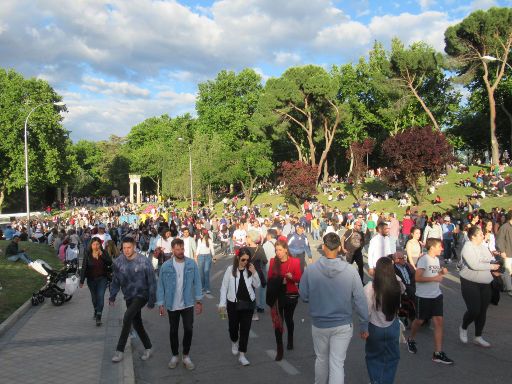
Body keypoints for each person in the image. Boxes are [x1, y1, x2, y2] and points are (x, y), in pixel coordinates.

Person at [299, 232, 368, 384]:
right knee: (337, 363)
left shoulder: (310, 270)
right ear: (339, 248)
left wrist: (317, 297)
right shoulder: (350, 271)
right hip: (343, 324)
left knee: (321, 359)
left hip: (320, 323)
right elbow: (360, 300)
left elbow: (303, 295)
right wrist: (364, 324)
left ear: (324, 247)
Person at [157, 238, 203, 370]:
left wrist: (199, 300)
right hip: (172, 304)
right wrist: (160, 304)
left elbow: (198, 282)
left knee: (189, 329)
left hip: (187, 303)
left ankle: (186, 356)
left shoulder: (191, 264)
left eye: (182, 249)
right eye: (177, 249)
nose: (180, 251)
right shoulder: (166, 266)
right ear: (172, 250)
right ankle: (175, 355)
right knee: (173, 330)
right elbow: (160, 286)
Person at [406, 238, 454, 365]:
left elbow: (433, 273)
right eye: (439, 246)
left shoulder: (436, 259)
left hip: (436, 295)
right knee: (419, 321)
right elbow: (417, 278)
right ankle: (411, 339)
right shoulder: (424, 259)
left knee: (438, 321)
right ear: (432, 247)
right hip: (423, 296)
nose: (442, 248)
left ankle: (437, 353)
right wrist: (435, 277)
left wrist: (441, 272)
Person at [109, 237, 156, 363]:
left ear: (134, 246)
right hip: (128, 296)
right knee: (137, 323)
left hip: (142, 295)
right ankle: (148, 347)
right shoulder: (119, 262)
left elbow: (152, 281)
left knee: (127, 316)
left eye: (129, 247)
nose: (126, 250)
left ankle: (119, 351)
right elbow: (115, 281)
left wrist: (152, 299)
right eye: (124, 248)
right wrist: (112, 296)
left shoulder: (143, 261)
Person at [459, 226, 500, 347]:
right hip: (469, 282)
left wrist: (496, 267)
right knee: (474, 310)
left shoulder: (483, 247)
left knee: (482, 311)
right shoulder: (467, 247)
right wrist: (491, 267)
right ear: (473, 236)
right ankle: (463, 327)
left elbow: (491, 260)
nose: (483, 235)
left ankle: (478, 336)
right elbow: (474, 265)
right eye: (481, 234)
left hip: (485, 283)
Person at [218, 247, 261, 366]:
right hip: (233, 304)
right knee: (233, 328)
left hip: (248, 304)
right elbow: (224, 287)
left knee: (245, 330)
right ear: (238, 258)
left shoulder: (250, 270)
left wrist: (255, 273)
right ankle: (234, 341)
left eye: (248, 260)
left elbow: (257, 285)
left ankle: (242, 355)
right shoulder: (230, 270)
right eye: (243, 260)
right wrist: (222, 304)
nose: (245, 262)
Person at [364, 257, 403, 384]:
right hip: (392, 325)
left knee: (373, 356)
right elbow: (403, 289)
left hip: (375, 327)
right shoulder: (396, 282)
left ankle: (376, 381)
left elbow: (366, 311)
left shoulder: (371, 287)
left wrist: (363, 329)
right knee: (392, 357)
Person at [267, 240, 301, 361]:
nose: (278, 252)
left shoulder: (295, 261)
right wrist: (279, 280)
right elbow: (269, 279)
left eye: (280, 250)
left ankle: (290, 339)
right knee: (278, 322)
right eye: (276, 250)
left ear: (286, 250)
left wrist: (292, 278)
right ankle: (279, 348)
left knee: (288, 319)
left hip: (290, 295)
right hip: (277, 296)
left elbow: (299, 278)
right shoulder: (273, 261)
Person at [80, 237, 112, 326]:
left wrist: (102, 255)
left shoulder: (104, 253)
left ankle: (99, 316)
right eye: (94, 244)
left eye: (97, 244)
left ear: (100, 245)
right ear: (91, 245)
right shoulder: (87, 254)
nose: (96, 246)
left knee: (100, 297)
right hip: (91, 280)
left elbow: (110, 263)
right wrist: (81, 280)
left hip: (102, 279)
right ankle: (96, 309)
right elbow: (84, 268)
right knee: (94, 299)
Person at [496, 211, 512, 295]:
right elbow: (499, 240)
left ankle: (504, 282)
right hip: (508, 253)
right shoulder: (504, 227)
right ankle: (510, 289)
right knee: (508, 271)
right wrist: (502, 251)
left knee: (508, 272)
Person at [195, 229, 215, 294]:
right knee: (201, 273)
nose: (200, 234)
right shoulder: (199, 240)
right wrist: (196, 256)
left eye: (200, 233)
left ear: (203, 234)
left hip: (208, 257)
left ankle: (207, 288)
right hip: (200, 257)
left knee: (206, 272)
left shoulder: (209, 240)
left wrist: (213, 256)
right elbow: (198, 248)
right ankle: (202, 287)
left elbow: (212, 248)